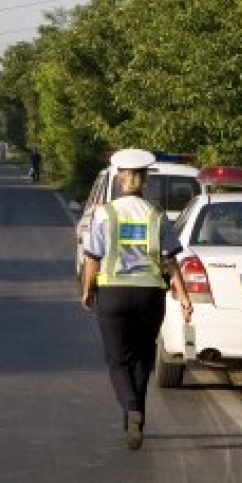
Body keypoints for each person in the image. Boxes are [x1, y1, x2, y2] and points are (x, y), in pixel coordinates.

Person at [80, 148, 193, 450]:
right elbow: (170, 261)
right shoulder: (156, 215)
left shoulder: (105, 213)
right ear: (144, 180)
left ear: (119, 178)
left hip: (114, 293)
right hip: (150, 295)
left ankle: (130, 408)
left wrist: (87, 289)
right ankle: (137, 416)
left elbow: (92, 258)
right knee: (143, 359)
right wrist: (183, 297)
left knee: (118, 360)